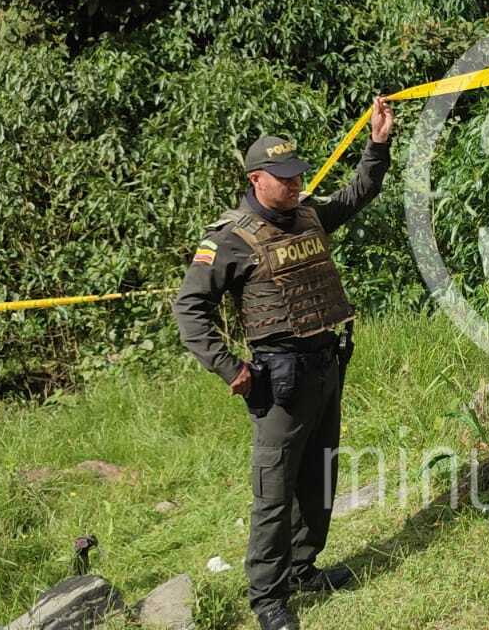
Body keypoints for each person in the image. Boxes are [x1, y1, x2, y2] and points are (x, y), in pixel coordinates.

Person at [172, 97, 394, 630]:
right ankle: (267, 598)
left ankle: (303, 568)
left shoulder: (309, 215)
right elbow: (189, 307)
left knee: (319, 475)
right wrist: (229, 368)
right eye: (284, 178)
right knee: (274, 492)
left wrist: (377, 144)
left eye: (297, 175)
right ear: (256, 180)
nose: (295, 185)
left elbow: (359, 192)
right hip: (277, 381)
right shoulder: (229, 239)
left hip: (325, 365)